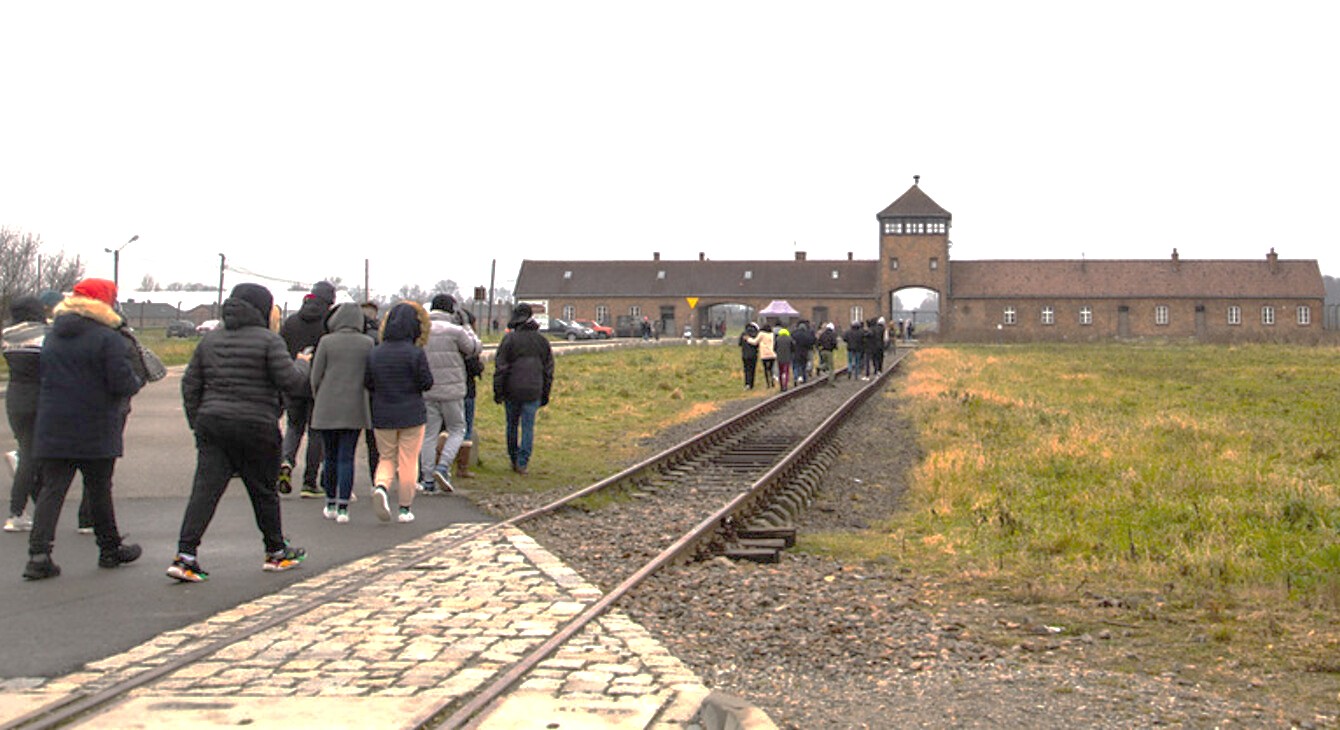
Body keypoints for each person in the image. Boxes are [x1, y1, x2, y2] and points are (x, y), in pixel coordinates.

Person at [167, 283, 311, 583]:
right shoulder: (269, 341)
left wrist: (198, 422)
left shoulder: (210, 340)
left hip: (213, 423)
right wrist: (302, 365)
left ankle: (185, 555)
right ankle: (275, 550)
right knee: (263, 491)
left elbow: (190, 385)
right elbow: (291, 383)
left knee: (205, 492)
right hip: (256, 425)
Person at [24, 279, 144, 580]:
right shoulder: (108, 338)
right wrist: (135, 380)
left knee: (53, 489)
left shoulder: (52, 336)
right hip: (96, 423)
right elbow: (122, 382)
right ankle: (109, 548)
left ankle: (39, 555)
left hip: (54, 422)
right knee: (99, 489)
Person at [365, 301, 433, 523]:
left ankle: (381, 487)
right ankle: (405, 509)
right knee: (408, 460)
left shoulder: (375, 353)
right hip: (412, 413)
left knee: (386, 457)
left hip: (383, 413)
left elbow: (368, 382)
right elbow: (427, 383)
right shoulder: (416, 354)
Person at [310, 302, 374, 523]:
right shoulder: (368, 343)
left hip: (327, 405)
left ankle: (330, 502)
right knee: (347, 457)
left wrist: (319, 397)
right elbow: (371, 376)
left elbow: (315, 376)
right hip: (355, 407)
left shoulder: (326, 342)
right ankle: (344, 507)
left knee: (329, 456)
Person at [278, 281, 336, 498]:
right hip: (318, 385)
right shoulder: (328, 323)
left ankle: (286, 461)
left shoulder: (291, 321)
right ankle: (310, 482)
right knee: (316, 433)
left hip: (292, 382)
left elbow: (280, 349)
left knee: (294, 427)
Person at [420, 294, 481, 494]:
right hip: (453, 390)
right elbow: (474, 348)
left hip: (428, 390)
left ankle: (427, 478)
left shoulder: (423, 331)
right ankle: (443, 466)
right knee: (457, 429)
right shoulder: (455, 331)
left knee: (429, 434)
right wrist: (467, 327)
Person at [493, 303, 553, 475]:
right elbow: (548, 371)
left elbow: (501, 368)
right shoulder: (542, 341)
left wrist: (498, 391)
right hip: (534, 389)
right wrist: (545, 393)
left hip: (511, 389)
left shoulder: (509, 340)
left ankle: (513, 458)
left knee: (511, 425)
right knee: (528, 426)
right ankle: (523, 462)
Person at [3, 296, 47, 532]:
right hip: (38, 396)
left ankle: (39, 506)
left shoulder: (7, 335)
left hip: (15, 396)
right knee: (33, 454)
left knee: (30, 450)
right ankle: (16, 512)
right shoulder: (44, 334)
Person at [791, 320, 816, 384]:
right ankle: (804, 378)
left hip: (796, 352)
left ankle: (796, 377)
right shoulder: (806, 334)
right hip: (804, 352)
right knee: (803, 365)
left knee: (797, 365)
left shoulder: (794, 334)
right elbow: (811, 342)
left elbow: (791, 342)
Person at [738, 322, 760, 390]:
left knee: (746, 369)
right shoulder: (755, 334)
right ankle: (751, 384)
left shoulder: (743, 334)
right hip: (753, 355)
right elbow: (757, 344)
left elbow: (739, 344)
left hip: (745, 355)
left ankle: (747, 383)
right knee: (752, 369)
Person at [817, 322, 839, 387]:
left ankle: (819, 367)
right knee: (831, 367)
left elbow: (818, 342)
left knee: (826, 364)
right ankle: (831, 382)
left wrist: (820, 348)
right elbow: (834, 342)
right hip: (829, 351)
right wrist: (835, 347)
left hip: (822, 351)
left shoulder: (822, 334)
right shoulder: (832, 334)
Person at [774, 327, 794, 392]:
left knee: (780, 372)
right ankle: (785, 385)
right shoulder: (790, 339)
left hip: (779, 358)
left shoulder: (777, 339)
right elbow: (793, 348)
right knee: (786, 372)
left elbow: (774, 348)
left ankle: (781, 386)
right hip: (787, 358)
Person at [757, 324, 776, 389]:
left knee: (766, 369)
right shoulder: (772, 335)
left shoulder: (761, 334)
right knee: (771, 369)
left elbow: (755, 341)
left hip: (764, 354)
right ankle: (772, 382)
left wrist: (748, 339)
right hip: (772, 354)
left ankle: (768, 384)